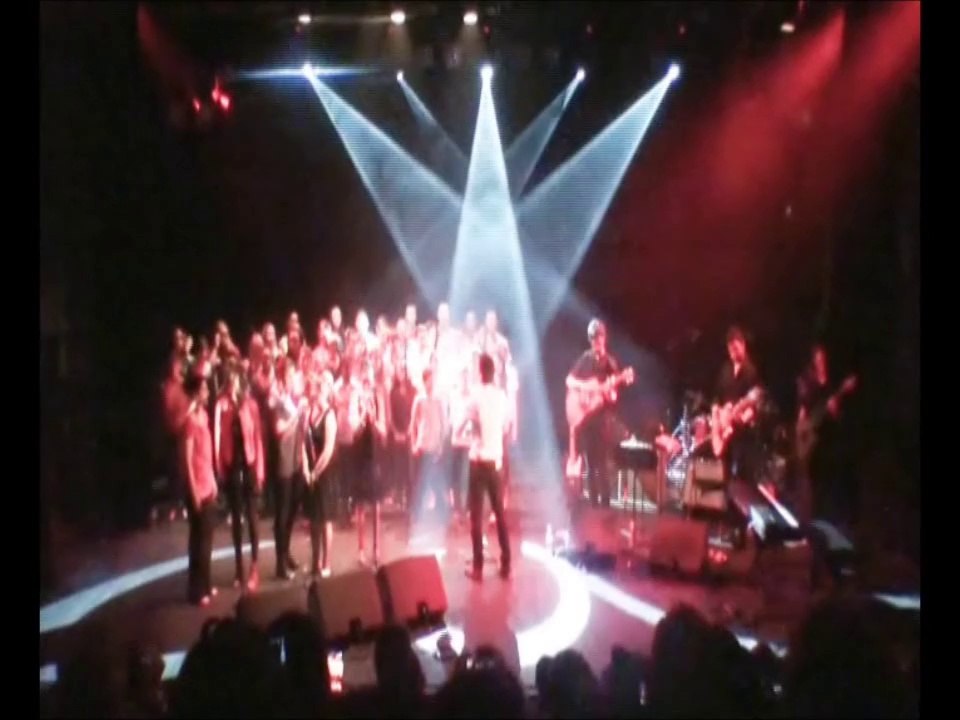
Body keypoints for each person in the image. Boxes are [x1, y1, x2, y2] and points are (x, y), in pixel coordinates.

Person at [461, 353, 512, 581]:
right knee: (499, 513)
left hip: (479, 461)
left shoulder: (475, 395)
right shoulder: (502, 396)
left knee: (476, 516)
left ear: (480, 372)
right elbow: (506, 426)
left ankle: (479, 568)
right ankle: (506, 562)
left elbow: (469, 423)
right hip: (495, 461)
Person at [214, 369, 265, 591]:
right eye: (230, 380)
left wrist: (260, 469)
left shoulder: (250, 405)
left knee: (252, 517)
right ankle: (239, 569)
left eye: (236, 380)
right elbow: (217, 433)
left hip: (250, 463)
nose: (233, 384)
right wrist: (218, 465)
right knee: (236, 518)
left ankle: (255, 567)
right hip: (232, 464)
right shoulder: (222, 405)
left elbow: (258, 438)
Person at [181, 373, 219, 605]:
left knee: (208, 540)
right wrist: (194, 490)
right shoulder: (190, 422)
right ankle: (196, 590)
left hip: (208, 482)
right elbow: (187, 459)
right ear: (196, 393)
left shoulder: (203, 416)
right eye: (204, 389)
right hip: (197, 486)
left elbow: (206, 455)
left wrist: (213, 479)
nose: (207, 393)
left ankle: (205, 584)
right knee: (199, 542)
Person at [303, 373, 339, 577]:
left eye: (315, 390)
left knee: (325, 520)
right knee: (313, 519)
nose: (312, 394)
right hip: (311, 474)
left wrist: (315, 472)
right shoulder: (309, 413)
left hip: (325, 475)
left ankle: (326, 562)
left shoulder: (329, 415)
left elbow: (328, 449)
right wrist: (306, 470)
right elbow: (303, 443)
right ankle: (315, 561)